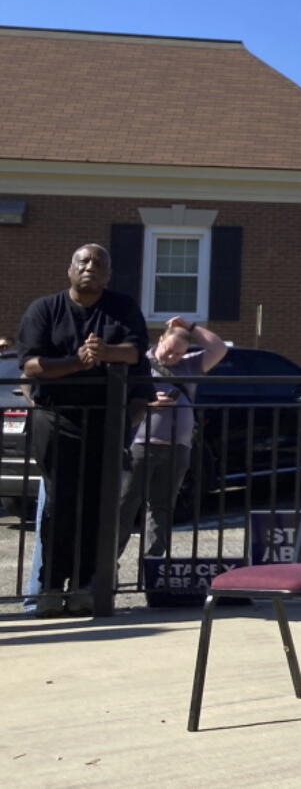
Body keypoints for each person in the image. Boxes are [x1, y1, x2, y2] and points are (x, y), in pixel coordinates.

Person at [16, 243, 153, 616]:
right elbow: (30, 365)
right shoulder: (45, 309)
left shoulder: (121, 307)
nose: (91, 267)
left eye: (99, 263)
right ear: (70, 269)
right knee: (60, 504)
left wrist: (105, 353)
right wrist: (76, 363)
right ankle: (48, 587)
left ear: (108, 274)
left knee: (100, 505)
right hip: (56, 418)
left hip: (107, 420)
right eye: (84, 261)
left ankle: (85, 587)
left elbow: (136, 352)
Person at [116, 316, 229, 559]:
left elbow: (219, 348)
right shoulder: (139, 364)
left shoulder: (189, 365)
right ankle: (106, 567)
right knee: (126, 505)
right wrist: (149, 402)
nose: (171, 358)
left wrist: (189, 327)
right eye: (168, 351)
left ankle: (153, 563)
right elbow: (120, 398)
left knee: (162, 507)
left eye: (178, 354)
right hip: (142, 445)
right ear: (160, 340)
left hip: (178, 447)